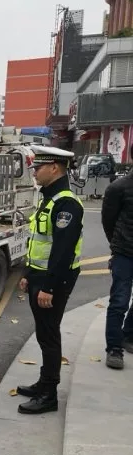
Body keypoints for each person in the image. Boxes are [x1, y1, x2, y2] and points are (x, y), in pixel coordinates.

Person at [16, 146, 84, 415]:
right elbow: (37, 242)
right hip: (39, 276)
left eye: (38, 168)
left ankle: (49, 395)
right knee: (44, 333)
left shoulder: (67, 204)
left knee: (49, 335)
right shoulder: (49, 199)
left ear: (54, 168)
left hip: (53, 280)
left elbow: (62, 252)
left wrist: (48, 287)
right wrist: (27, 275)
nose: (34, 172)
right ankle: (43, 384)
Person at [101, 145, 133, 369]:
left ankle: (128, 334)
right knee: (119, 301)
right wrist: (117, 245)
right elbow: (108, 221)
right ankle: (114, 348)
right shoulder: (119, 188)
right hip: (124, 253)